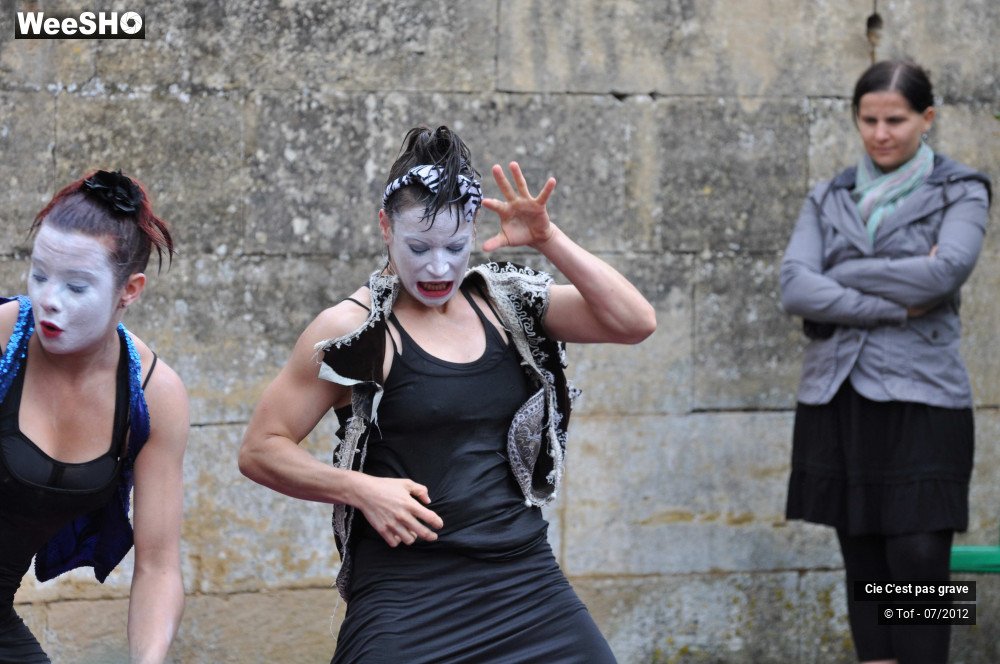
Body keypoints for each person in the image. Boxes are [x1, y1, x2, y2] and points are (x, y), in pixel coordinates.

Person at [239, 125, 656, 662]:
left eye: (456, 247)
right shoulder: (354, 329)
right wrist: (359, 489)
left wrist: (549, 240)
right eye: (419, 247)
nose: (438, 268)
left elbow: (634, 322)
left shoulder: (506, 306)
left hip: (524, 582)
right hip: (407, 594)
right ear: (385, 226)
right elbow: (260, 449)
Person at [781, 60, 991, 663]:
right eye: (868, 120)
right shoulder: (828, 195)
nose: (880, 133)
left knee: (921, 560)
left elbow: (947, 270)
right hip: (838, 394)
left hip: (925, 397)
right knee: (864, 555)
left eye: (895, 120)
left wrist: (840, 276)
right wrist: (900, 302)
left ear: (926, 118)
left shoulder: (963, 188)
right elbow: (795, 288)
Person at [0, 170, 189, 663]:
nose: (48, 300)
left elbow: (158, 566)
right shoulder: (1, 339)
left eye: (77, 286)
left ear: (130, 289)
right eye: (38, 274)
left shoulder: (153, 396)